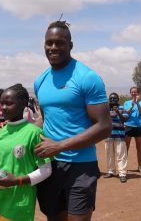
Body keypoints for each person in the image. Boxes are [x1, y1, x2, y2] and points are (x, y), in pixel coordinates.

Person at [33, 20, 112, 221]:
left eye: (59, 43)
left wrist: (60, 146)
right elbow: (45, 118)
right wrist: (18, 131)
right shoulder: (40, 80)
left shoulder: (87, 77)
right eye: (49, 43)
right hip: (49, 165)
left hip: (81, 166)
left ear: (70, 45)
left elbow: (104, 126)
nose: (53, 48)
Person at [0, 84, 52, 221]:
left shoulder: (34, 133)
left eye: (9, 104)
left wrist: (18, 180)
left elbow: (46, 170)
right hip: (0, 199)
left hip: (21, 201)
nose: (3, 107)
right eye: (2, 103)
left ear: (23, 104)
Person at [104, 93, 129, 183]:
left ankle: (122, 174)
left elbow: (125, 119)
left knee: (121, 155)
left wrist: (118, 111)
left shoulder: (122, 108)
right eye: (111, 98)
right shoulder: (105, 108)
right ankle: (111, 171)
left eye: (114, 98)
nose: (112, 100)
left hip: (120, 135)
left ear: (118, 99)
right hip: (108, 136)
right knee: (109, 155)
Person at [124, 86, 141, 174]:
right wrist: (132, 105)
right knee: (126, 147)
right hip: (128, 126)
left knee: (139, 147)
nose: (134, 94)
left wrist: (137, 104)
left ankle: (140, 166)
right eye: (132, 92)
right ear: (130, 93)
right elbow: (126, 113)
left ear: (138, 93)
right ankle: (124, 167)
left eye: (135, 92)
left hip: (139, 127)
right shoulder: (126, 102)